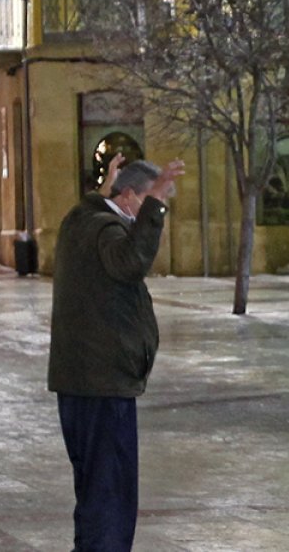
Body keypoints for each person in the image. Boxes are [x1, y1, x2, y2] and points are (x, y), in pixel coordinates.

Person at [48, 157, 184, 551]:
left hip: (84, 382)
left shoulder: (83, 219)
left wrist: (110, 188)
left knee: (96, 489)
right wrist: (154, 207)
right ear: (127, 196)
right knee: (110, 493)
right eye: (148, 201)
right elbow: (130, 263)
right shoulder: (106, 229)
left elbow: (90, 209)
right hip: (103, 383)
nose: (155, 213)